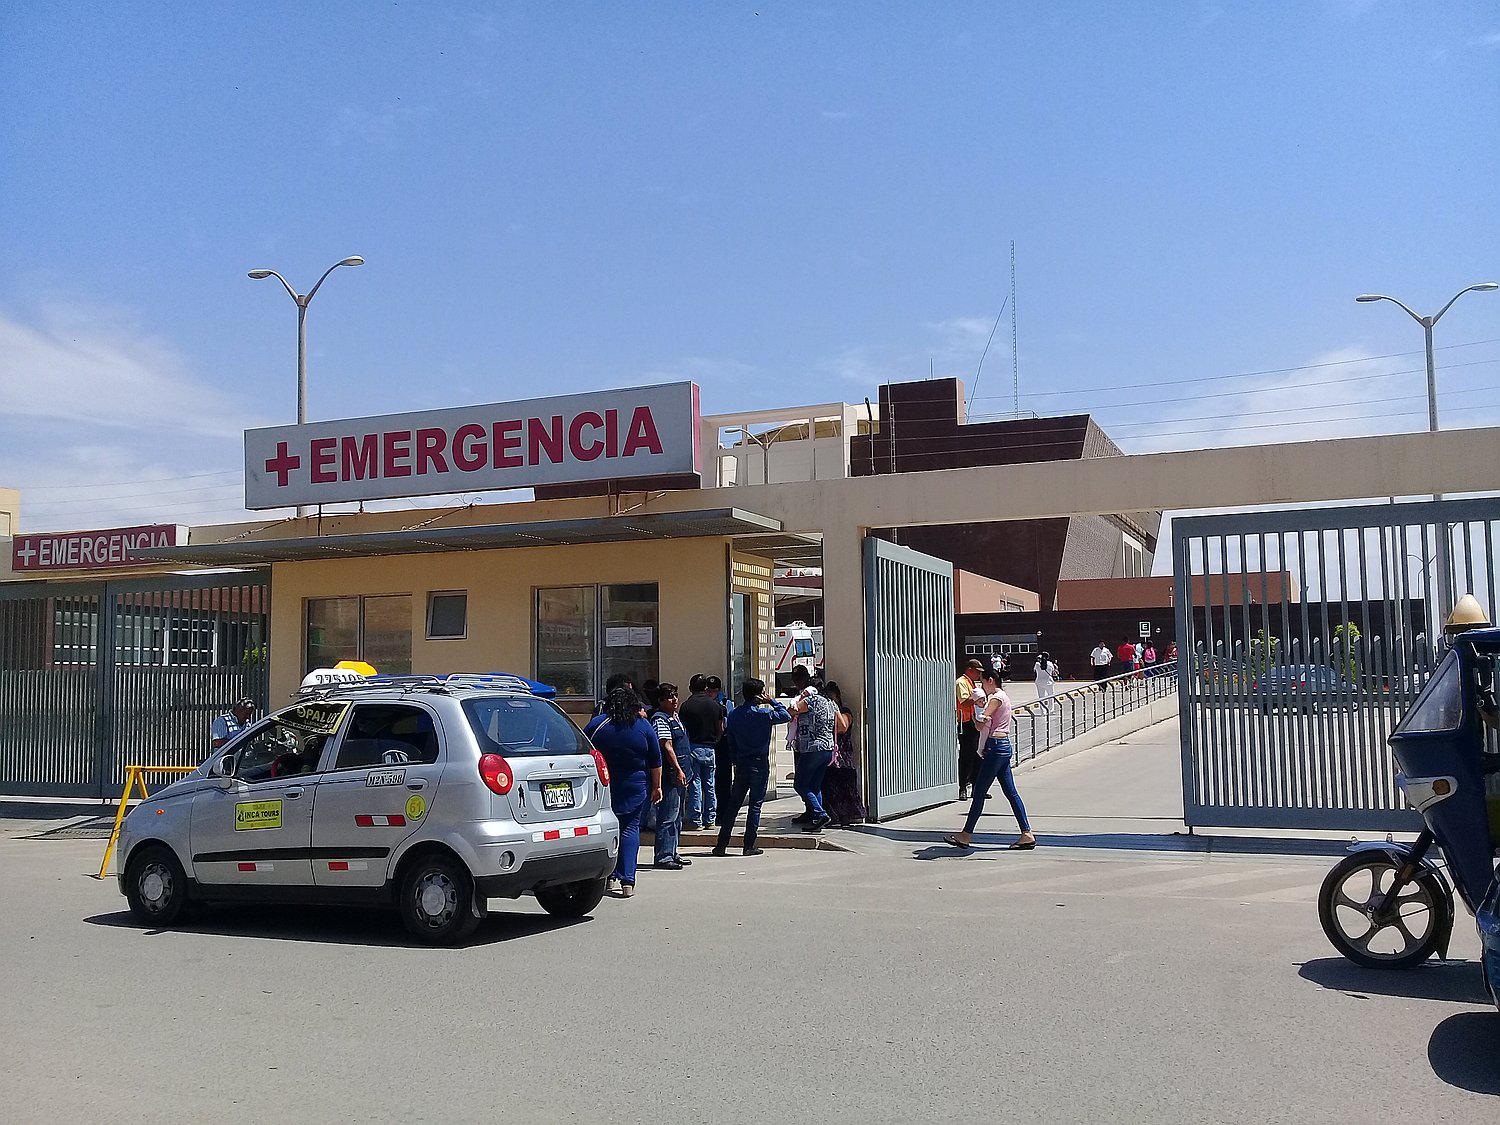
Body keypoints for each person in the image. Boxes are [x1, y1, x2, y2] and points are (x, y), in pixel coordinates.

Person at [944, 669, 1036, 851]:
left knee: (979, 793)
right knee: (1011, 793)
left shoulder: (996, 698)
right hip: (1004, 746)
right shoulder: (1006, 697)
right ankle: (1027, 834)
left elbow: (983, 720)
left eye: (983, 683)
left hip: (994, 747)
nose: (982, 687)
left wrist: (978, 714)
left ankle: (965, 835)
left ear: (991, 681)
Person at [587, 686, 663, 898]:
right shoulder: (642, 726)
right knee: (630, 830)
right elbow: (655, 761)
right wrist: (657, 787)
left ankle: (609, 876)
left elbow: (585, 751)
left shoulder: (598, 724)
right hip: (635, 785)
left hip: (604, 785)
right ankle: (628, 880)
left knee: (608, 830)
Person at [714, 678, 791, 857]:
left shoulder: (734, 715)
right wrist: (771, 701)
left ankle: (721, 843)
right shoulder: (764, 714)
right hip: (759, 762)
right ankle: (748, 844)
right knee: (755, 805)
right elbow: (785, 715)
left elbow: (730, 739)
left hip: (742, 762)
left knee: (733, 805)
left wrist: (735, 758)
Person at [788, 665, 839, 832]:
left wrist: (800, 697)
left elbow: (791, 711)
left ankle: (820, 813)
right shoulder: (831, 703)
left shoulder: (811, 700)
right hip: (827, 749)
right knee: (815, 785)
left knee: (800, 785)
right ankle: (817, 820)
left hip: (811, 748)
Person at [648, 682, 692, 871]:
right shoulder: (660, 719)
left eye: (675, 695)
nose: (674, 700)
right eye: (669, 697)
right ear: (660, 701)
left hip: (682, 773)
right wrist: (678, 769)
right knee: (668, 815)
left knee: (677, 816)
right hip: (671, 774)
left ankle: (673, 852)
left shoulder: (675, 717)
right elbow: (666, 746)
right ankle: (663, 856)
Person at [678, 673, 725, 831]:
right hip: (710, 748)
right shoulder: (715, 706)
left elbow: (682, 730)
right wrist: (715, 741)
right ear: (706, 687)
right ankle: (710, 819)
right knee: (709, 784)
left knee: (695, 784)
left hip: (692, 747)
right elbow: (720, 729)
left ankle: (695, 819)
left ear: (691, 688)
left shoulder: (686, 706)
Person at [821, 680, 865, 826]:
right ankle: (833, 816)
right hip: (829, 756)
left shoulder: (845, 711)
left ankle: (850, 815)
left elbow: (843, 727)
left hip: (843, 755)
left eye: (832, 698)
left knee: (846, 787)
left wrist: (835, 710)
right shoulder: (823, 713)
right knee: (829, 787)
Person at [955, 659, 985, 800]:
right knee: (967, 756)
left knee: (977, 755)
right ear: (969, 669)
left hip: (974, 721)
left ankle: (976, 788)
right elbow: (964, 701)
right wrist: (978, 699)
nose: (978, 675)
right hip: (965, 722)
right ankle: (963, 787)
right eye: (977, 672)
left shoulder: (971, 683)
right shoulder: (961, 682)